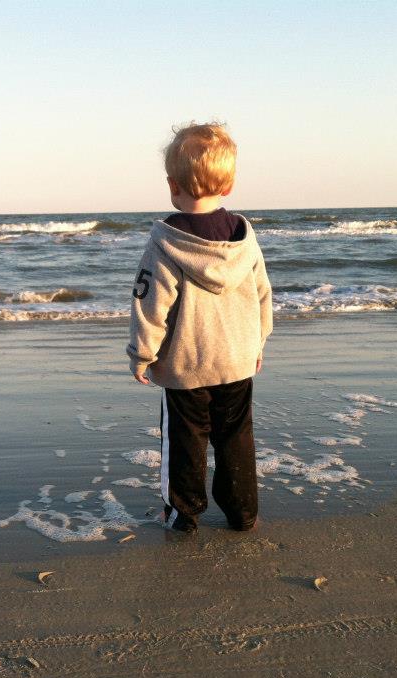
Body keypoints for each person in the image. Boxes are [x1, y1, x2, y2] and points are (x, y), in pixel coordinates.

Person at [127, 122, 273, 533]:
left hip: (186, 365)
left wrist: (141, 353)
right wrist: (258, 343)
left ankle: (183, 514)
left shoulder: (166, 240)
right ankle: (243, 513)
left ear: (172, 185)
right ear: (228, 185)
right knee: (236, 439)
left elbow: (150, 303)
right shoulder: (243, 237)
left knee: (185, 441)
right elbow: (263, 293)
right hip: (236, 361)